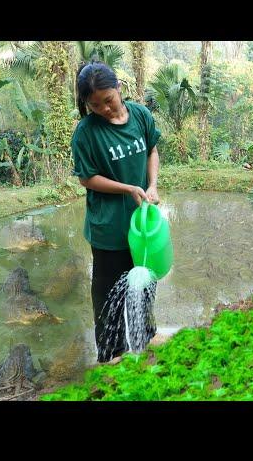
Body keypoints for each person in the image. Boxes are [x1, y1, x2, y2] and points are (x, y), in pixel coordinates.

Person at [70, 60, 161, 362]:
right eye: (95, 105)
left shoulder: (140, 115)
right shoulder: (86, 133)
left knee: (144, 285)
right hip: (108, 229)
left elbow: (151, 150)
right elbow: (87, 178)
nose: (104, 109)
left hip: (142, 225)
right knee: (109, 297)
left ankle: (145, 341)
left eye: (108, 100)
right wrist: (128, 188)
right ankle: (110, 355)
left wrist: (152, 185)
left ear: (118, 89)